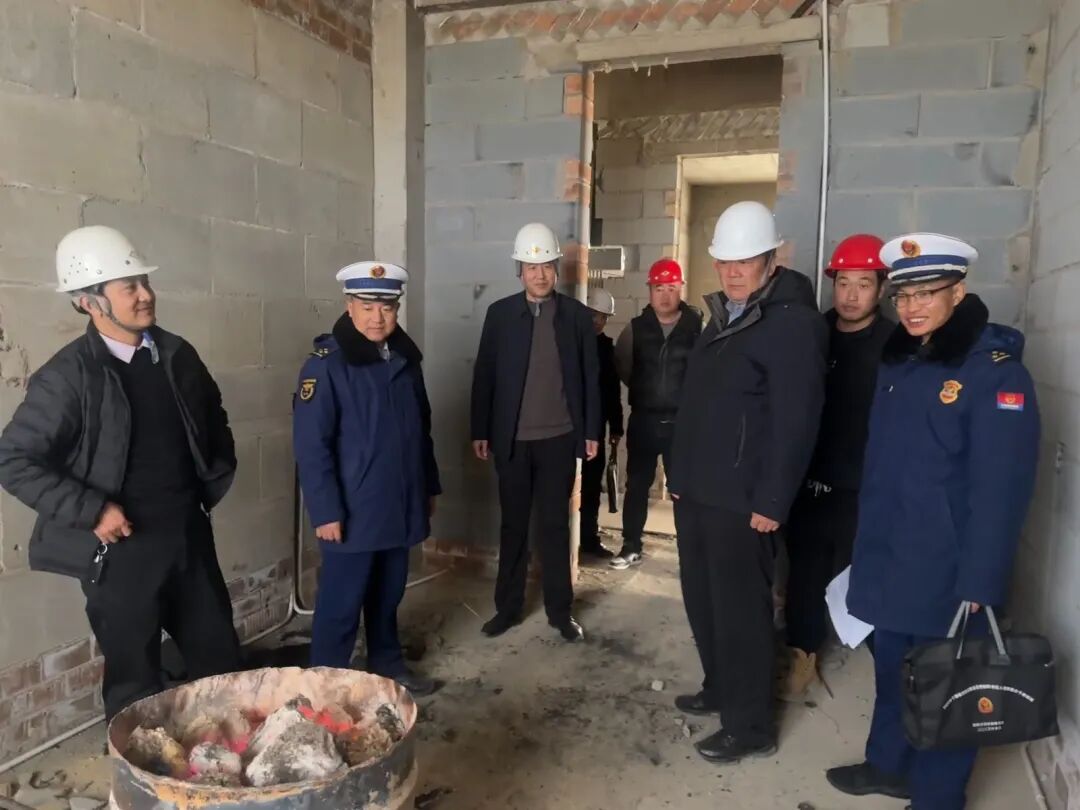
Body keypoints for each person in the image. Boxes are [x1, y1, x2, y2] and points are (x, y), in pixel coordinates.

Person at [826, 233, 1040, 810]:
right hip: (891, 553)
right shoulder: (903, 361)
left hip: (948, 569)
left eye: (927, 293)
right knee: (893, 672)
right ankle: (887, 765)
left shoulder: (995, 374)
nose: (912, 307)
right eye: (903, 295)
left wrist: (981, 581)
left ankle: (937, 798)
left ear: (958, 292)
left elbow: (1003, 489)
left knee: (949, 685)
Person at [0, 226, 241, 722]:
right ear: (89, 302)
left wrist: (210, 482)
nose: (145, 295)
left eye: (144, 282)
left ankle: (229, 757)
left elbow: (212, 416)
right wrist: (92, 511)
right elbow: (14, 459)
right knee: (136, 684)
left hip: (188, 536)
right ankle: (139, 767)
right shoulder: (68, 377)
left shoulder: (177, 354)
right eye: (129, 286)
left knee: (221, 662)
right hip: (121, 552)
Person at [667, 201, 827, 763]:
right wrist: (679, 475)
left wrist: (773, 499)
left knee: (741, 614)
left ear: (770, 261)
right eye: (725, 262)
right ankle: (720, 688)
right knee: (703, 601)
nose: (732, 272)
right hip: (698, 492)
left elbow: (796, 419)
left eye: (745, 261)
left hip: (744, 502)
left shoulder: (793, 325)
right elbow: (696, 406)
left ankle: (750, 726)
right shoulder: (724, 317)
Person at [293, 260, 440, 697]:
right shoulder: (326, 366)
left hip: (400, 501)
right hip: (353, 509)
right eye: (367, 306)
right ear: (349, 306)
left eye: (387, 307)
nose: (378, 317)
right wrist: (325, 511)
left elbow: (422, 431)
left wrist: (428, 486)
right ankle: (324, 689)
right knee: (340, 605)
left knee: (388, 595)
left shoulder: (405, 359)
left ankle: (387, 665)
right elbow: (312, 446)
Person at [470, 222, 601, 643]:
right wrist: (480, 428)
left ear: (556, 269)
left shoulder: (576, 317)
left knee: (555, 527)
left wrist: (591, 430)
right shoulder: (500, 315)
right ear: (520, 270)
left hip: (559, 440)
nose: (540, 275)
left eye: (546, 266)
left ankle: (561, 612)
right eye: (531, 267)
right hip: (511, 441)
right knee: (513, 527)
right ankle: (507, 609)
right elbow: (485, 375)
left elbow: (591, 377)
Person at [781, 234, 894, 697]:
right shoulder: (814, 333)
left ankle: (882, 661)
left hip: (862, 488)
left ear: (881, 288)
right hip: (808, 482)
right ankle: (802, 653)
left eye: (863, 284)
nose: (850, 295)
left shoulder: (895, 345)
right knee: (803, 574)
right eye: (843, 283)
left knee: (861, 577)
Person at [610, 259, 702, 571]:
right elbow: (624, 368)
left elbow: (705, 373)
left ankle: (690, 552)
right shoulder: (635, 329)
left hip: (682, 424)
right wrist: (648, 393)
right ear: (650, 290)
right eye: (659, 288)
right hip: (644, 421)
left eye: (671, 288)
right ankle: (630, 546)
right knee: (636, 486)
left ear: (681, 290)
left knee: (683, 489)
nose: (665, 295)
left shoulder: (696, 329)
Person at [579, 287, 623, 559]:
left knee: (592, 487)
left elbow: (612, 391)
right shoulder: (570, 343)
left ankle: (589, 538)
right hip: (569, 428)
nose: (598, 321)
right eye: (594, 314)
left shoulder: (606, 349)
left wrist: (616, 427)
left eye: (603, 317)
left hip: (594, 428)